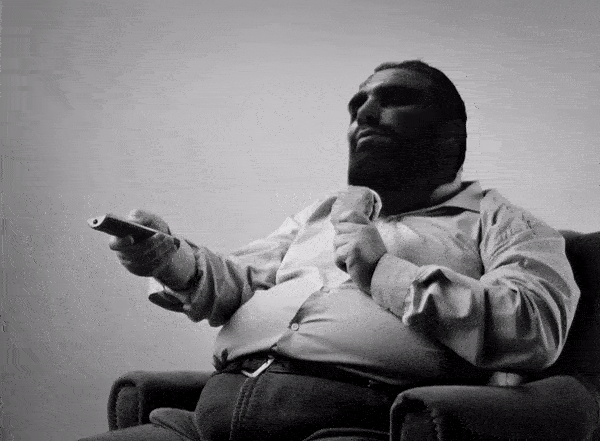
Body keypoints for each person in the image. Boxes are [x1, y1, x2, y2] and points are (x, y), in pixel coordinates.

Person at [81, 60, 580, 441]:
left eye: (394, 99)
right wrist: (172, 260)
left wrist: (383, 271)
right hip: (206, 420)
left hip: (351, 425)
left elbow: (533, 327)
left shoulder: (503, 222)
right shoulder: (319, 214)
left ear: (450, 131)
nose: (364, 113)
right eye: (358, 105)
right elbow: (241, 282)